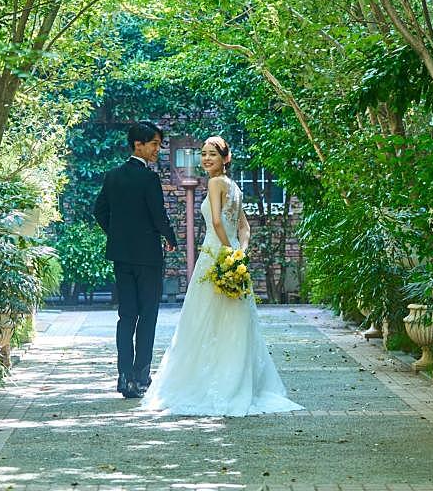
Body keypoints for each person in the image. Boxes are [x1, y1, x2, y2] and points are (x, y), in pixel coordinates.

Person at [142, 135, 302, 416]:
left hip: (215, 255)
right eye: (203, 154)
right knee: (233, 319)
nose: (206, 159)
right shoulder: (234, 186)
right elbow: (245, 228)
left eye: (212, 154)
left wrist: (227, 253)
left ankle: (214, 382)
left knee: (204, 318)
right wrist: (239, 254)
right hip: (230, 256)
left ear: (225, 158)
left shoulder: (216, 183)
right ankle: (235, 380)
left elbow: (216, 221)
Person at [93, 121, 178, 399]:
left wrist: (118, 235)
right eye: (154, 144)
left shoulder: (113, 176)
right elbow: (158, 215)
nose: (157, 149)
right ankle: (141, 376)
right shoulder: (149, 179)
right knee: (148, 315)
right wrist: (170, 238)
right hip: (148, 257)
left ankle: (123, 376)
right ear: (137, 145)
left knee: (126, 315)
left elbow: (99, 211)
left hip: (122, 256)